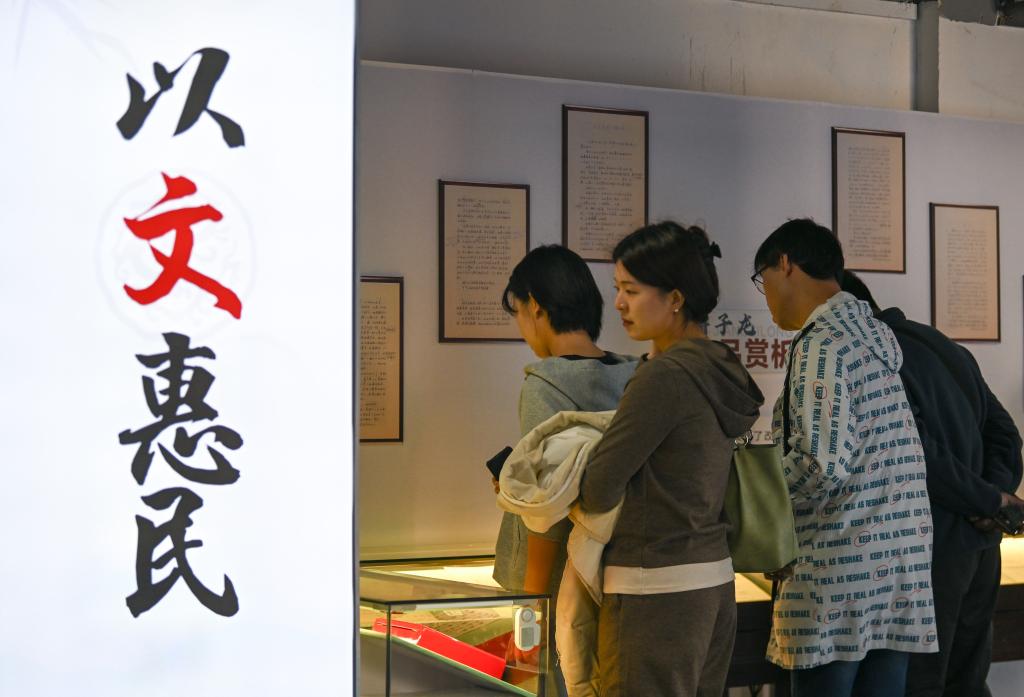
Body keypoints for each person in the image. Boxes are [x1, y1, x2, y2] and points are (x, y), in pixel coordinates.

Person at [750, 218, 937, 697]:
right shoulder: (873, 336)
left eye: (762, 279)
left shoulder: (821, 343)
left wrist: (752, 498)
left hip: (836, 571)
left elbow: (819, 466)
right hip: (896, 569)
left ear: (785, 264)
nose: (765, 296)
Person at [578, 221, 764, 697]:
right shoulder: (719, 366)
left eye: (631, 290)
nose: (619, 304)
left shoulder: (664, 377)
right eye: (618, 289)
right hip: (713, 583)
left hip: (653, 588)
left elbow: (599, 488)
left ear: (675, 298)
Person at [840, 270, 1024, 697]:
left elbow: (916, 453)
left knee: (921, 685)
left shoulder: (876, 357)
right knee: (968, 682)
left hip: (928, 549)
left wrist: (986, 500)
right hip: (981, 546)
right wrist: (993, 499)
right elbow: (1005, 434)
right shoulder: (945, 346)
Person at [491, 244, 637, 695]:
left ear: (535, 307)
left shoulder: (545, 384)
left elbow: (545, 515)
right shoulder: (634, 375)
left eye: (519, 313)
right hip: (612, 573)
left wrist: (528, 619)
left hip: (556, 584)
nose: (523, 328)